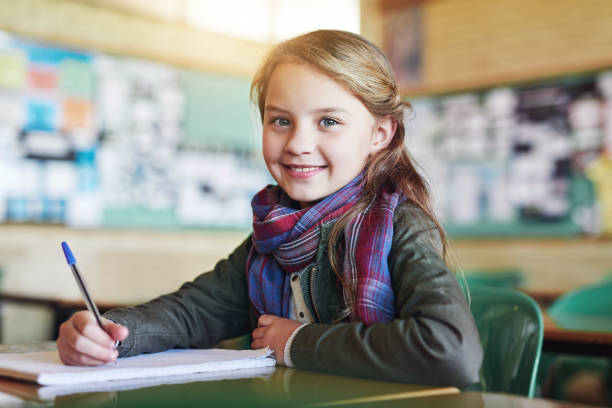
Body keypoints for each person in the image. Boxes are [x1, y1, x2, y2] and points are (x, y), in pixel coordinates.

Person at [56, 30, 483, 387]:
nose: (297, 143)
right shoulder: (275, 231)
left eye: (328, 122)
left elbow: (450, 351)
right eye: (280, 120)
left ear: (380, 134)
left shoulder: (400, 225)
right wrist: (107, 333)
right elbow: (194, 311)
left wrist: (297, 342)